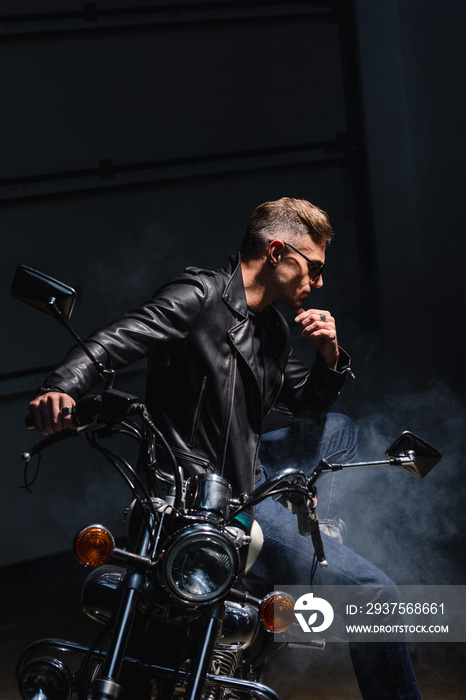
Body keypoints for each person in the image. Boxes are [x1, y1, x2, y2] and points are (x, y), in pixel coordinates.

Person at [29, 197, 421, 699]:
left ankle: (313, 531)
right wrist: (63, 385)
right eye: (314, 268)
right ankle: (300, 544)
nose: (318, 283)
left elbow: (307, 409)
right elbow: (114, 340)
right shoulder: (198, 296)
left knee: (340, 429)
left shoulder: (274, 331)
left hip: (243, 480)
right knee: (376, 593)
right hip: (193, 493)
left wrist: (330, 355)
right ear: (278, 251)